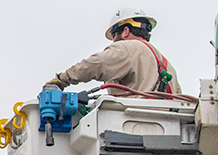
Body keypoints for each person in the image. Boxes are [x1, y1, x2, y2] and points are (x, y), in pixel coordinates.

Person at [47, 7, 181, 95]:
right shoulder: (169, 67)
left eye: (114, 36)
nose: (113, 42)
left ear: (125, 31)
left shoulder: (128, 48)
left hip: (133, 126)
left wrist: (62, 79)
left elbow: (97, 64)